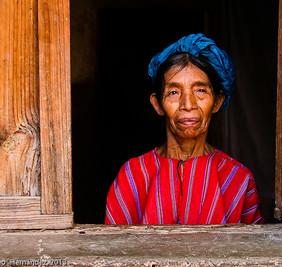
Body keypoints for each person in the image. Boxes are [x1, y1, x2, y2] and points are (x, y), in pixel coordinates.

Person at [104, 33, 263, 224]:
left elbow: (254, 248)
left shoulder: (237, 179)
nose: (188, 104)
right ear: (158, 104)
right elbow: (114, 248)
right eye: (173, 92)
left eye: (200, 90)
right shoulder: (134, 175)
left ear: (217, 101)